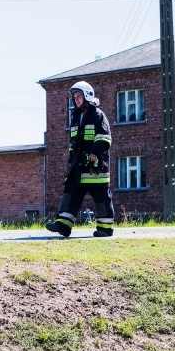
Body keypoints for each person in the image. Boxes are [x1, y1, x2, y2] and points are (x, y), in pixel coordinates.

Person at [45, 81, 115, 238]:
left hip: (95, 168)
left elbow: (105, 138)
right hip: (78, 167)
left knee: (101, 199)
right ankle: (63, 225)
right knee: (69, 193)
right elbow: (74, 143)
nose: (76, 100)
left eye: (79, 96)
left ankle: (105, 228)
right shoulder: (76, 117)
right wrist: (72, 161)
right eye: (74, 97)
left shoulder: (98, 115)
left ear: (87, 96)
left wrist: (95, 152)